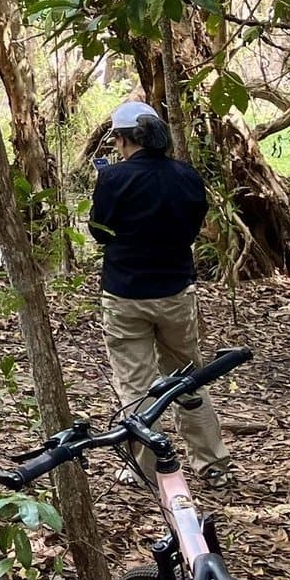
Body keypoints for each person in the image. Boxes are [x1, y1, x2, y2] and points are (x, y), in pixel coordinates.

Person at [90, 98, 229, 480]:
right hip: (175, 291)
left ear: (121, 139)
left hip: (125, 293)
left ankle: (144, 467)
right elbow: (193, 227)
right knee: (188, 375)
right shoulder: (187, 176)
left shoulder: (113, 179)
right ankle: (211, 461)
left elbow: (99, 231)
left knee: (135, 384)